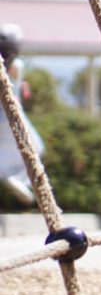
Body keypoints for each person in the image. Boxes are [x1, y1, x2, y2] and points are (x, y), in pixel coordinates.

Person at [0, 23, 43, 206]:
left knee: (34, 148)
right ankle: (7, 173)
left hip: (10, 114)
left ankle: (13, 176)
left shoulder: (15, 66)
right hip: (8, 115)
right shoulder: (16, 65)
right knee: (34, 148)